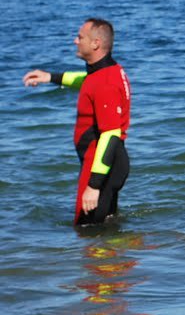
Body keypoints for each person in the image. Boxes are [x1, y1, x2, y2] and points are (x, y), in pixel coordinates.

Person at [23, 18, 132, 225]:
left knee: (87, 230)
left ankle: (107, 257)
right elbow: (87, 82)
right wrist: (50, 77)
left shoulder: (106, 83)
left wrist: (94, 185)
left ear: (95, 43)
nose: (75, 41)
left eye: (80, 37)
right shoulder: (105, 73)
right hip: (109, 162)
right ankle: (120, 256)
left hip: (100, 164)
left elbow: (110, 134)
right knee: (104, 227)